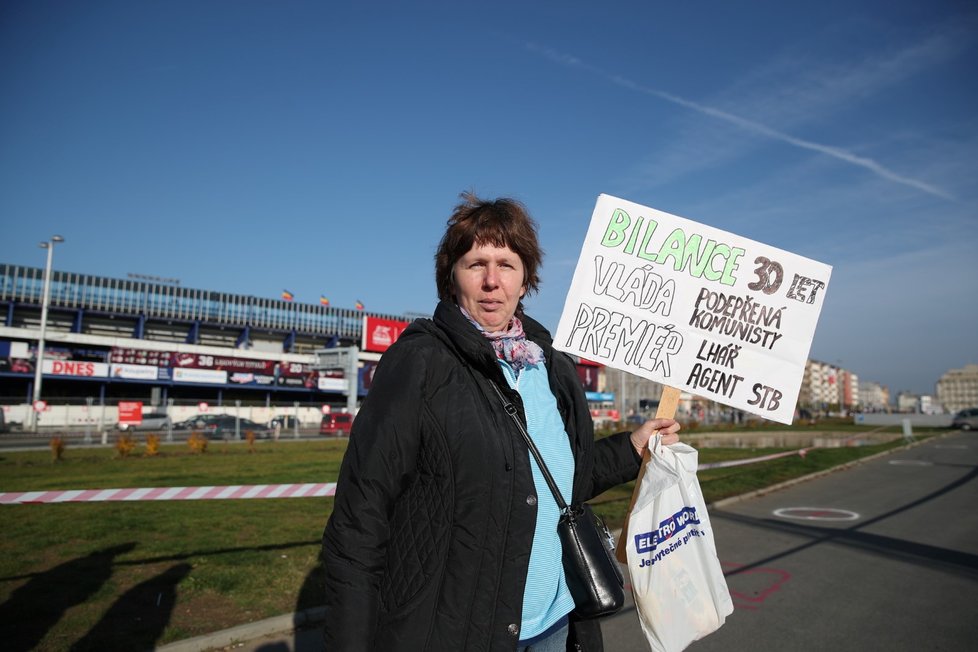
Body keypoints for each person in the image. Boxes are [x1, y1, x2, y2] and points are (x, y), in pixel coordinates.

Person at [321, 192, 681, 651]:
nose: (492, 281)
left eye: (507, 264)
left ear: (526, 278)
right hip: (457, 632)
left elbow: (563, 475)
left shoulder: (551, 366)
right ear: (451, 278)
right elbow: (359, 519)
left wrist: (633, 446)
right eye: (476, 264)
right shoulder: (420, 363)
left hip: (554, 621)